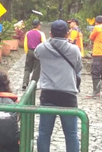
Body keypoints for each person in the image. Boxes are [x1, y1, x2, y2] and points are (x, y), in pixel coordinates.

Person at [35, 20, 82, 152]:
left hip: (48, 93)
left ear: (50, 33)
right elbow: (78, 67)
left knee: (44, 133)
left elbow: (36, 55)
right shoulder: (74, 50)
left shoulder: (42, 48)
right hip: (68, 95)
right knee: (71, 134)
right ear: (67, 34)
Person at [22, 19, 46, 89]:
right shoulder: (41, 33)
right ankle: (33, 84)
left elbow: (25, 44)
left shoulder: (28, 33)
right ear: (38, 25)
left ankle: (25, 82)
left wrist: (27, 52)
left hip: (29, 51)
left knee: (27, 68)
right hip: (38, 52)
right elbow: (43, 44)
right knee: (36, 69)